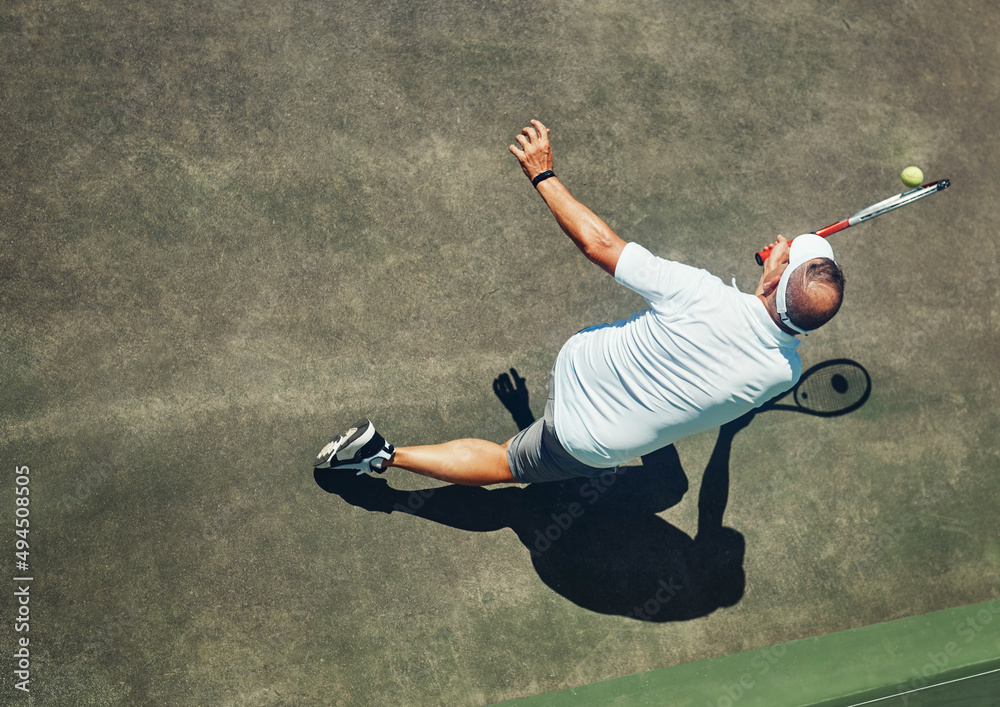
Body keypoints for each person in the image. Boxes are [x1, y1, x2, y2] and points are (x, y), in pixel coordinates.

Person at [314, 120, 845, 486]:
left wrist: (543, 173)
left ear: (775, 277)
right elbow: (761, 327)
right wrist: (775, 276)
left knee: (507, 464)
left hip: (582, 364)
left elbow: (600, 245)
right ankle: (381, 456)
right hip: (585, 440)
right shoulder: (784, 373)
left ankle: (383, 454)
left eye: (784, 261)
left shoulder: (698, 292)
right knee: (516, 461)